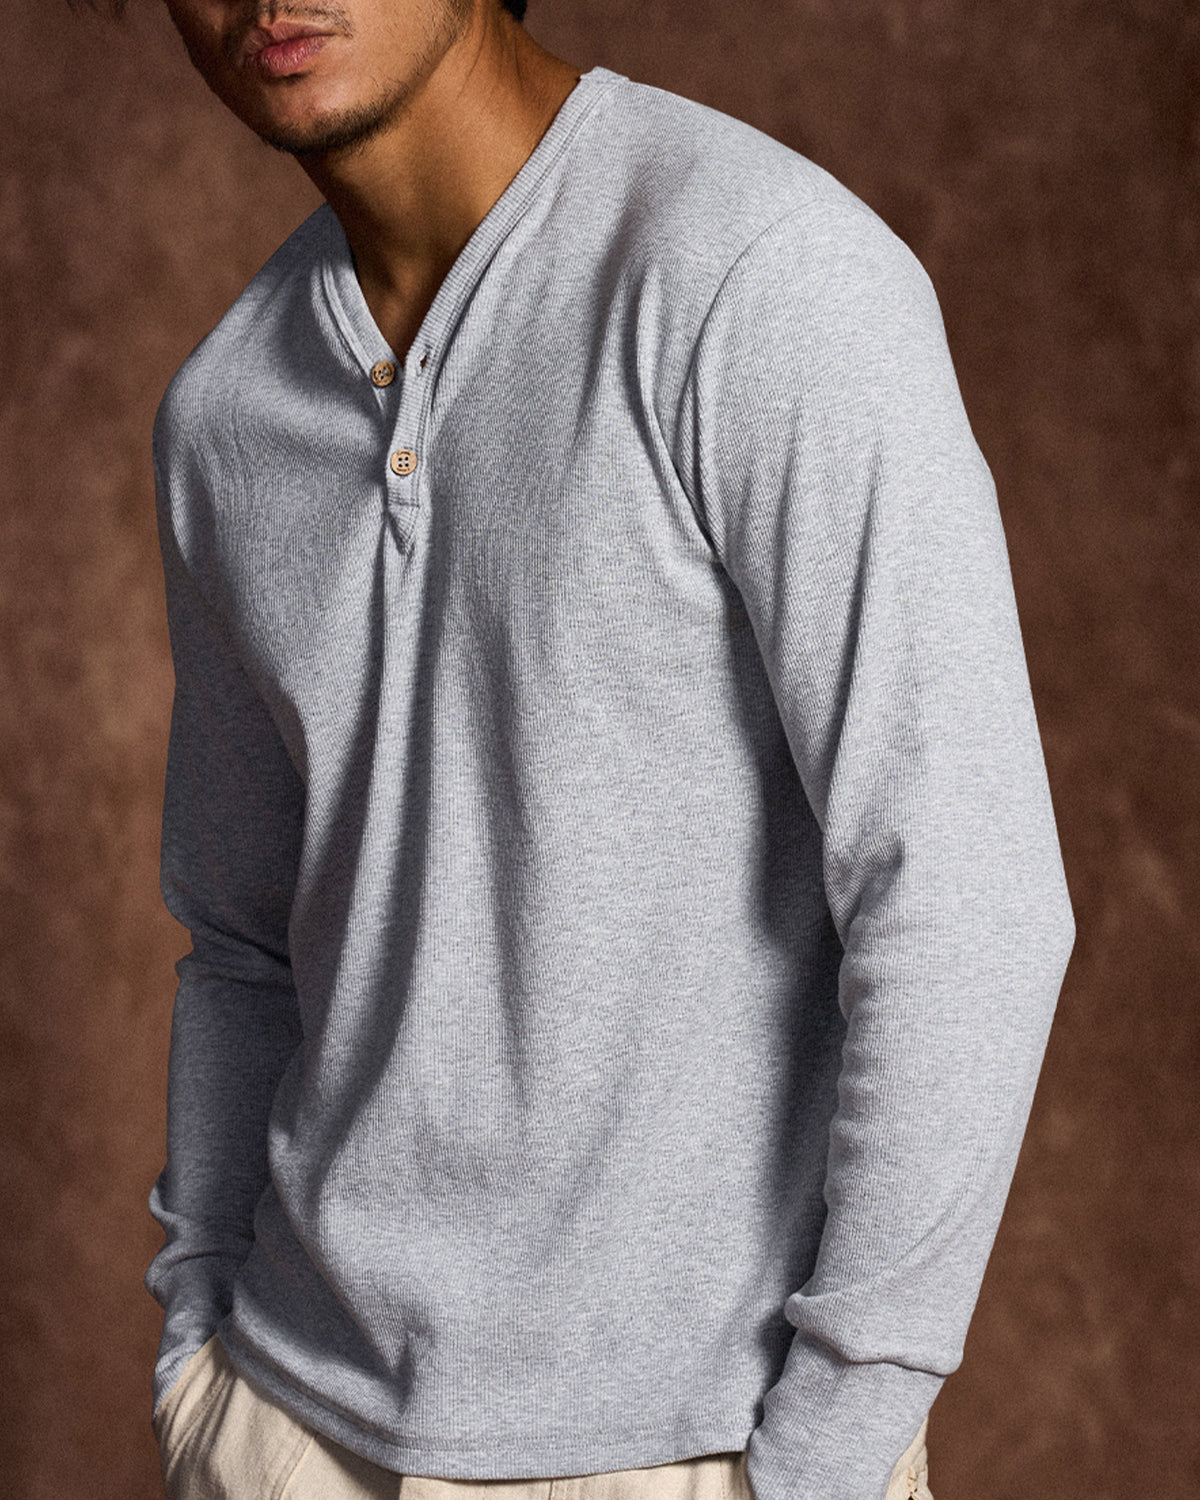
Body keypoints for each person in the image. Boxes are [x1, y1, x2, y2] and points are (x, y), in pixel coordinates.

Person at [127, 0, 1075, 1496]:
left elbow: (967, 904)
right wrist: (202, 1357)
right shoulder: (223, 417)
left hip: (688, 1449)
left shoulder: (759, 274)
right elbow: (244, 943)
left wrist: (829, 1455)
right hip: (288, 1425)